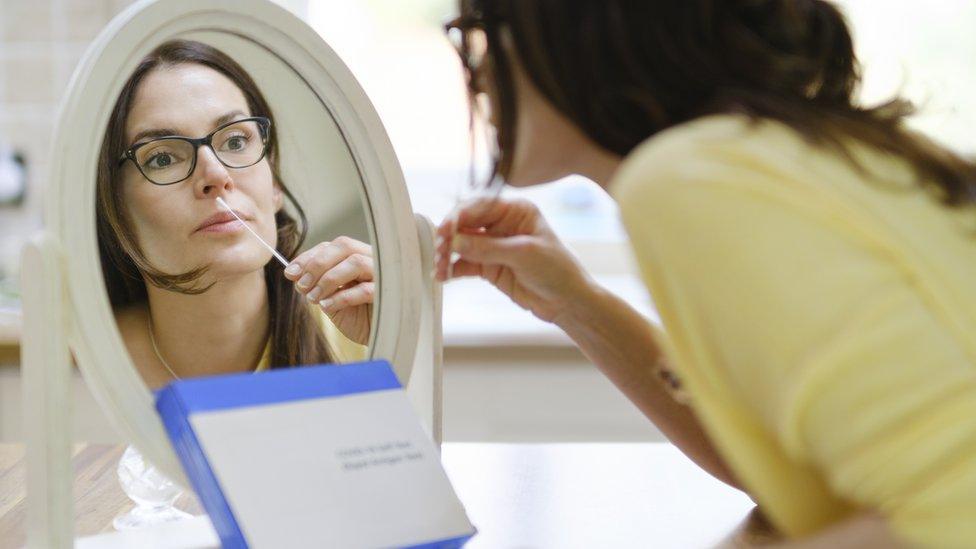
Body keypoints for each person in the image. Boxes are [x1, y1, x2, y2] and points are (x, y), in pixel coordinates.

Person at [436, 1, 976, 547]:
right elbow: (778, 470)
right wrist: (573, 299)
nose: (478, 71)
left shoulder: (690, 179)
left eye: (486, 30)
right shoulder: (825, 152)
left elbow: (954, 509)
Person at [96, 40, 373, 390]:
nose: (215, 175)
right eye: (163, 158)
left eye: (236, 141)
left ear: (273, 183)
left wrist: (404, 331)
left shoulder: (359, 331)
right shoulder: (79, 366)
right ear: (116, 212)